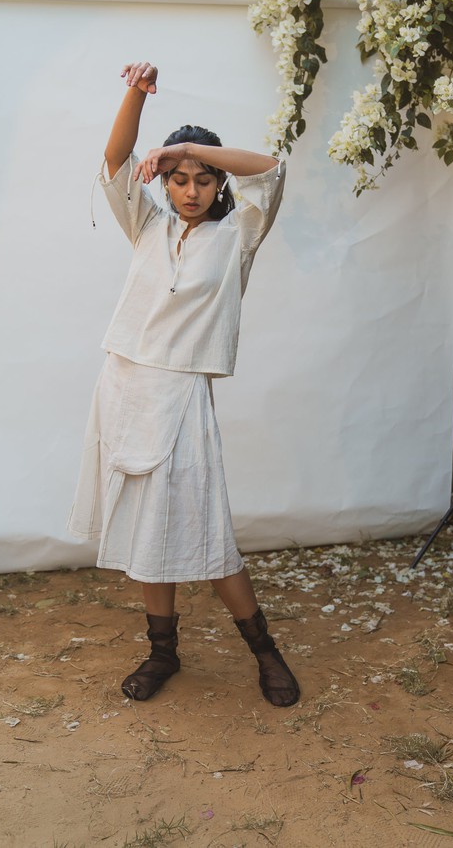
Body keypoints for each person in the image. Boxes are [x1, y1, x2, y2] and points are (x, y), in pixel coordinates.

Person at [68, 60, 299, 708]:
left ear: (217, 180)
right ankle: (162, 652)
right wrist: (135, 96)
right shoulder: (148, 226)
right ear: (164, 185)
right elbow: (115, 158)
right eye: (177, 178)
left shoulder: (239, 236)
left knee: (207, 528)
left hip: (181, 392)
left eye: (201, 178)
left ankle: (264, 649)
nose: (190, 189)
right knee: (147, 527)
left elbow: (274, 167)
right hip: (123, 382)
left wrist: (188, 145)